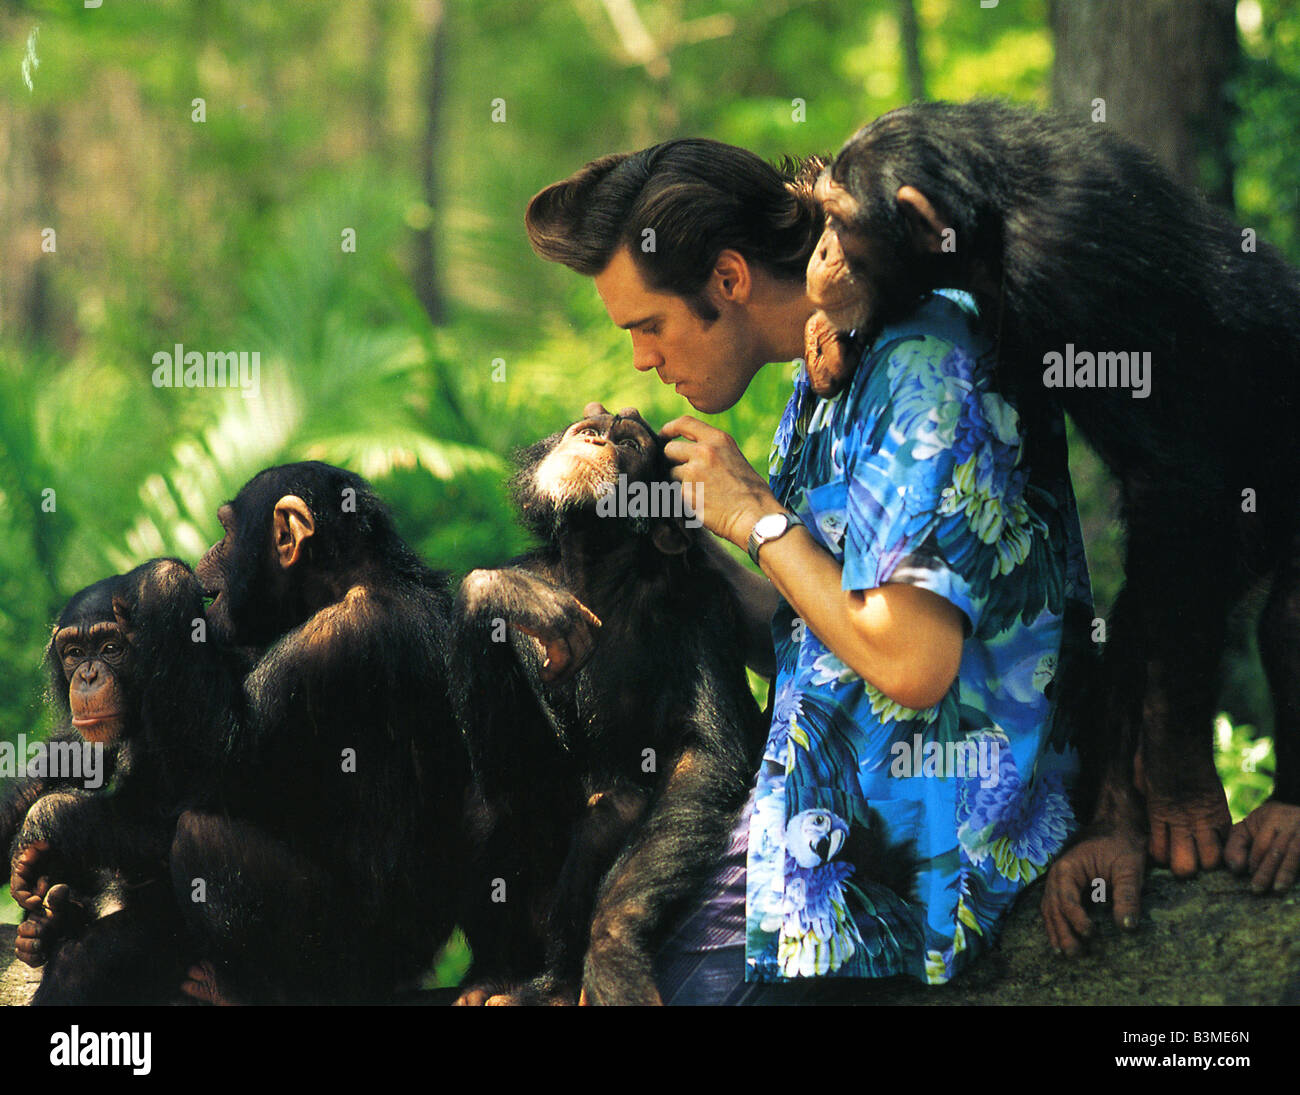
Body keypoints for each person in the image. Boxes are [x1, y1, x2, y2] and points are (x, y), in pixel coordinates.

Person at [525, 138, 1091, 1002]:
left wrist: (758, 518)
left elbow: (911, 661)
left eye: (648, 326)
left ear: (728, 278)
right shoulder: (822, 371)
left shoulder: (923, 362)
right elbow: (813, 634)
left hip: (914, 855)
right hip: (816, 819)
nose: (642, 359)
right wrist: (675, 538)